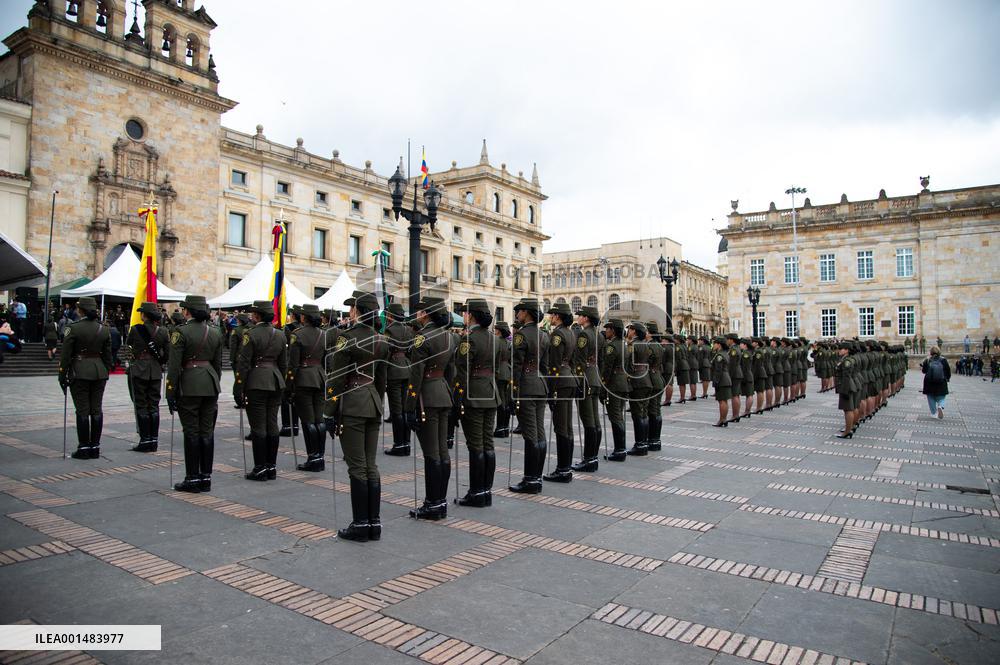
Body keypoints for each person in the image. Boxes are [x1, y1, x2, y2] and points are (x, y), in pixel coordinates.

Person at [324, 291, 389, 541]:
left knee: (357, 467)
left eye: (352, 308)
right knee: (370, 465)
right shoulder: (382, 340)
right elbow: (381, 378)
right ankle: (374, 523)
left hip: (352, 403)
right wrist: (377, 401)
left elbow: (336, 377)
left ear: (358, 311)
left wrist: (329, 410)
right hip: (372, 401)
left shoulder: (347, 338)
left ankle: (361, 524)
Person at [165, 295, 223, 492]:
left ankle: (192, 478)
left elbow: (174, 366)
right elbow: (217, 366)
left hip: (189, 385)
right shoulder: (215, 333)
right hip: (210, 383)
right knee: (207, 431)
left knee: (191, 431)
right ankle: (206, 477)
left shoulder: (180, 332)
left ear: (187, 311)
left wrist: (170, 390)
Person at [405, 296, 455, 517]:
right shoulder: (450, 337)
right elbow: (452, 371)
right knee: (442, 452)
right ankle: (440, 501)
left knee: (431, 454)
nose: (417, 314)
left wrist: (409, 406)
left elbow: (415, 376)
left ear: (426, 314)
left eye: (420, 311)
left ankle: (432, 503)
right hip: (443, 394)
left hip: (427, 396)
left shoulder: (422, 338)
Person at [454, 298, 501, 506]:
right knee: (487, 443)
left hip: (474, 395)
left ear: (471, 315)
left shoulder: (469, 340)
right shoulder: (495, 339)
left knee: (475, 445)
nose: (463, 315)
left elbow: (462, 372)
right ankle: (486, 491)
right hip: (490, 392)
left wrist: (459, 398)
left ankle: (476, 493)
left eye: (465, 312)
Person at [234, 300, 288, 481]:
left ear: (257, 315)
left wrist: (239, 386)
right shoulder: (280, 335)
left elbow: (244, 363)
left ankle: (260, 468)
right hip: (275, 380)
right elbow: (283, 363)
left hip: (256, 381)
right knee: (272, 424)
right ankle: (271, 467)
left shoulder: (251, 334)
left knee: (258, 426)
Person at [59, 297, 112, 459]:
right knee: (96, 409)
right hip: (99, 371)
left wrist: (62, 373)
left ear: (80, 310)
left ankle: (83, 447)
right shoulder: (103, 329)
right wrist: (105, 370)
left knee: (82, 409)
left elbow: (66, 354)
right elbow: (108, 356)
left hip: (80, 370)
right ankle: (95, 446)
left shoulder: (73, 328)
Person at [508, 298, 550, 491]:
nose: (517, 314)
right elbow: (545, 366)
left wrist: (512, 389)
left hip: (526, 385)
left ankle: (530, 480)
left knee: (530, 434)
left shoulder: (521, 335)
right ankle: (537, 477)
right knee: (539, 432)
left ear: (527, 313)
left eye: (520, 311)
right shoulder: (544, 335)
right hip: (540, 384)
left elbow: (516, 365)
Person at [288, 304, 326, 471]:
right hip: (319, 377)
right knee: (320, 420)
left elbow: (293, 365)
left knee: (308, 420)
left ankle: (312, 457)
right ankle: (320, 457)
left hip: (304, 379)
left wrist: (289, 387)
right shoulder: (324, 335)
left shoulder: (297, 335)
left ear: (304, 318)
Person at [126, 302, 169, 452]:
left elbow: (129, 345)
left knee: (141, 405)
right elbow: (167, 354)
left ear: (145, 315)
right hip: (156, 371)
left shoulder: (136, 329)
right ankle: (154, 440)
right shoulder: (163, 331)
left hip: (139, 369)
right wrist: (159, 361)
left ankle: (145, 440)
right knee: (154, 405)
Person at [543, 301, 578, 481]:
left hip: (560, 382)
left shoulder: (557, 334)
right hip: (569, 378)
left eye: (552, 315)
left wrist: (551, 387)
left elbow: (554, 364)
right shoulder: (570, 333)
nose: (550, 317)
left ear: (558, 316)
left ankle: (563, 470)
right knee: (567, 427)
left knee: (561, 427)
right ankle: (566, 467)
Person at [571, 305, 603, 470]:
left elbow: (580, 361)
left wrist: (578, 380)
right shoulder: (599, 335)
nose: (579, 317)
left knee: (588, 421)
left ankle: (589, 459)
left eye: (581, 315)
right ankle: (593, 458)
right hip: (595, 377)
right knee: (595, 421)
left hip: (586, 379)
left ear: (587, 318)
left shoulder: (584, 334)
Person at [384, 302, 414, 456]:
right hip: (407, 369)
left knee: (397, 410)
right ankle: (406, 442)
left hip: (394, 370)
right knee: (404, 408)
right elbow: (410, 350)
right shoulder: (409, 330)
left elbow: (386, 351)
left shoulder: (389, 330)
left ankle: (399, 444)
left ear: (390, 316)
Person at [601, 318, 630, 461]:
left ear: (613, 330)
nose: (606, 331)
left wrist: (603, 385)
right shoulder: (624, 344)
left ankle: (619, 450)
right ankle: (621, 448)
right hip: (623, 382)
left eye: (608, 329)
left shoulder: (611, 347)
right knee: (619, 417)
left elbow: (607, 368)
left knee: (615, 417)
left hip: (614, 384)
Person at [625, 321, 651, 456]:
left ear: (634, 331)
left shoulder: (632, 345)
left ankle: (639, 444)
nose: (628, 331)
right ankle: (644, 442)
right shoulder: (645, 345)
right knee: (644, 413)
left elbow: (627, 364)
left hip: (636, 380)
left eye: (629, 329)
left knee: (637, 414)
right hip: (646, 379)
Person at [644, 322, 665, 451]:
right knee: (656, 410)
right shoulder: (659, 345)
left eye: (646, 332)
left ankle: (652, 439)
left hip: (651, 378)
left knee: (651, 410)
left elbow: (646, 361)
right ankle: (656, 440)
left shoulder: (650, 346)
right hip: (658, 377)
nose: (645, 334)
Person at [492, 320, 513, 438]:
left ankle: (500, 427)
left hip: (499, 371)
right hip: (507, 371)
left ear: (499, 330)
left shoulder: (496, 341)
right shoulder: (508, 342)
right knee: (506, 400)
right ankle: (505, 427)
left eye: (495, 330)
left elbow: (494, 357)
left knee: (500, 400)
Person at [921, 346, 951, 419]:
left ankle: (934, 413)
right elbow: (948, 370)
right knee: (942, 396)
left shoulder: (927, 360)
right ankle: (940, 406)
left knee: (930, 397)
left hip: (929, 382)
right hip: (941, 380)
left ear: (931, 352)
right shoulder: (943, 360)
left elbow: (924, 371)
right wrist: (947, 378)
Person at [710, 337, 732, 427]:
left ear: (719, 345)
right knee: (724, 401)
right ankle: (724, 419)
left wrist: (716, 381)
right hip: (726, 378)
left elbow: (718, 370)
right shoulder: (724, 353)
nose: (713, 345)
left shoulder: (719, 356)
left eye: (714, 343)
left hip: (722, 379)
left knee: (722, 400)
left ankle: (722, 420)